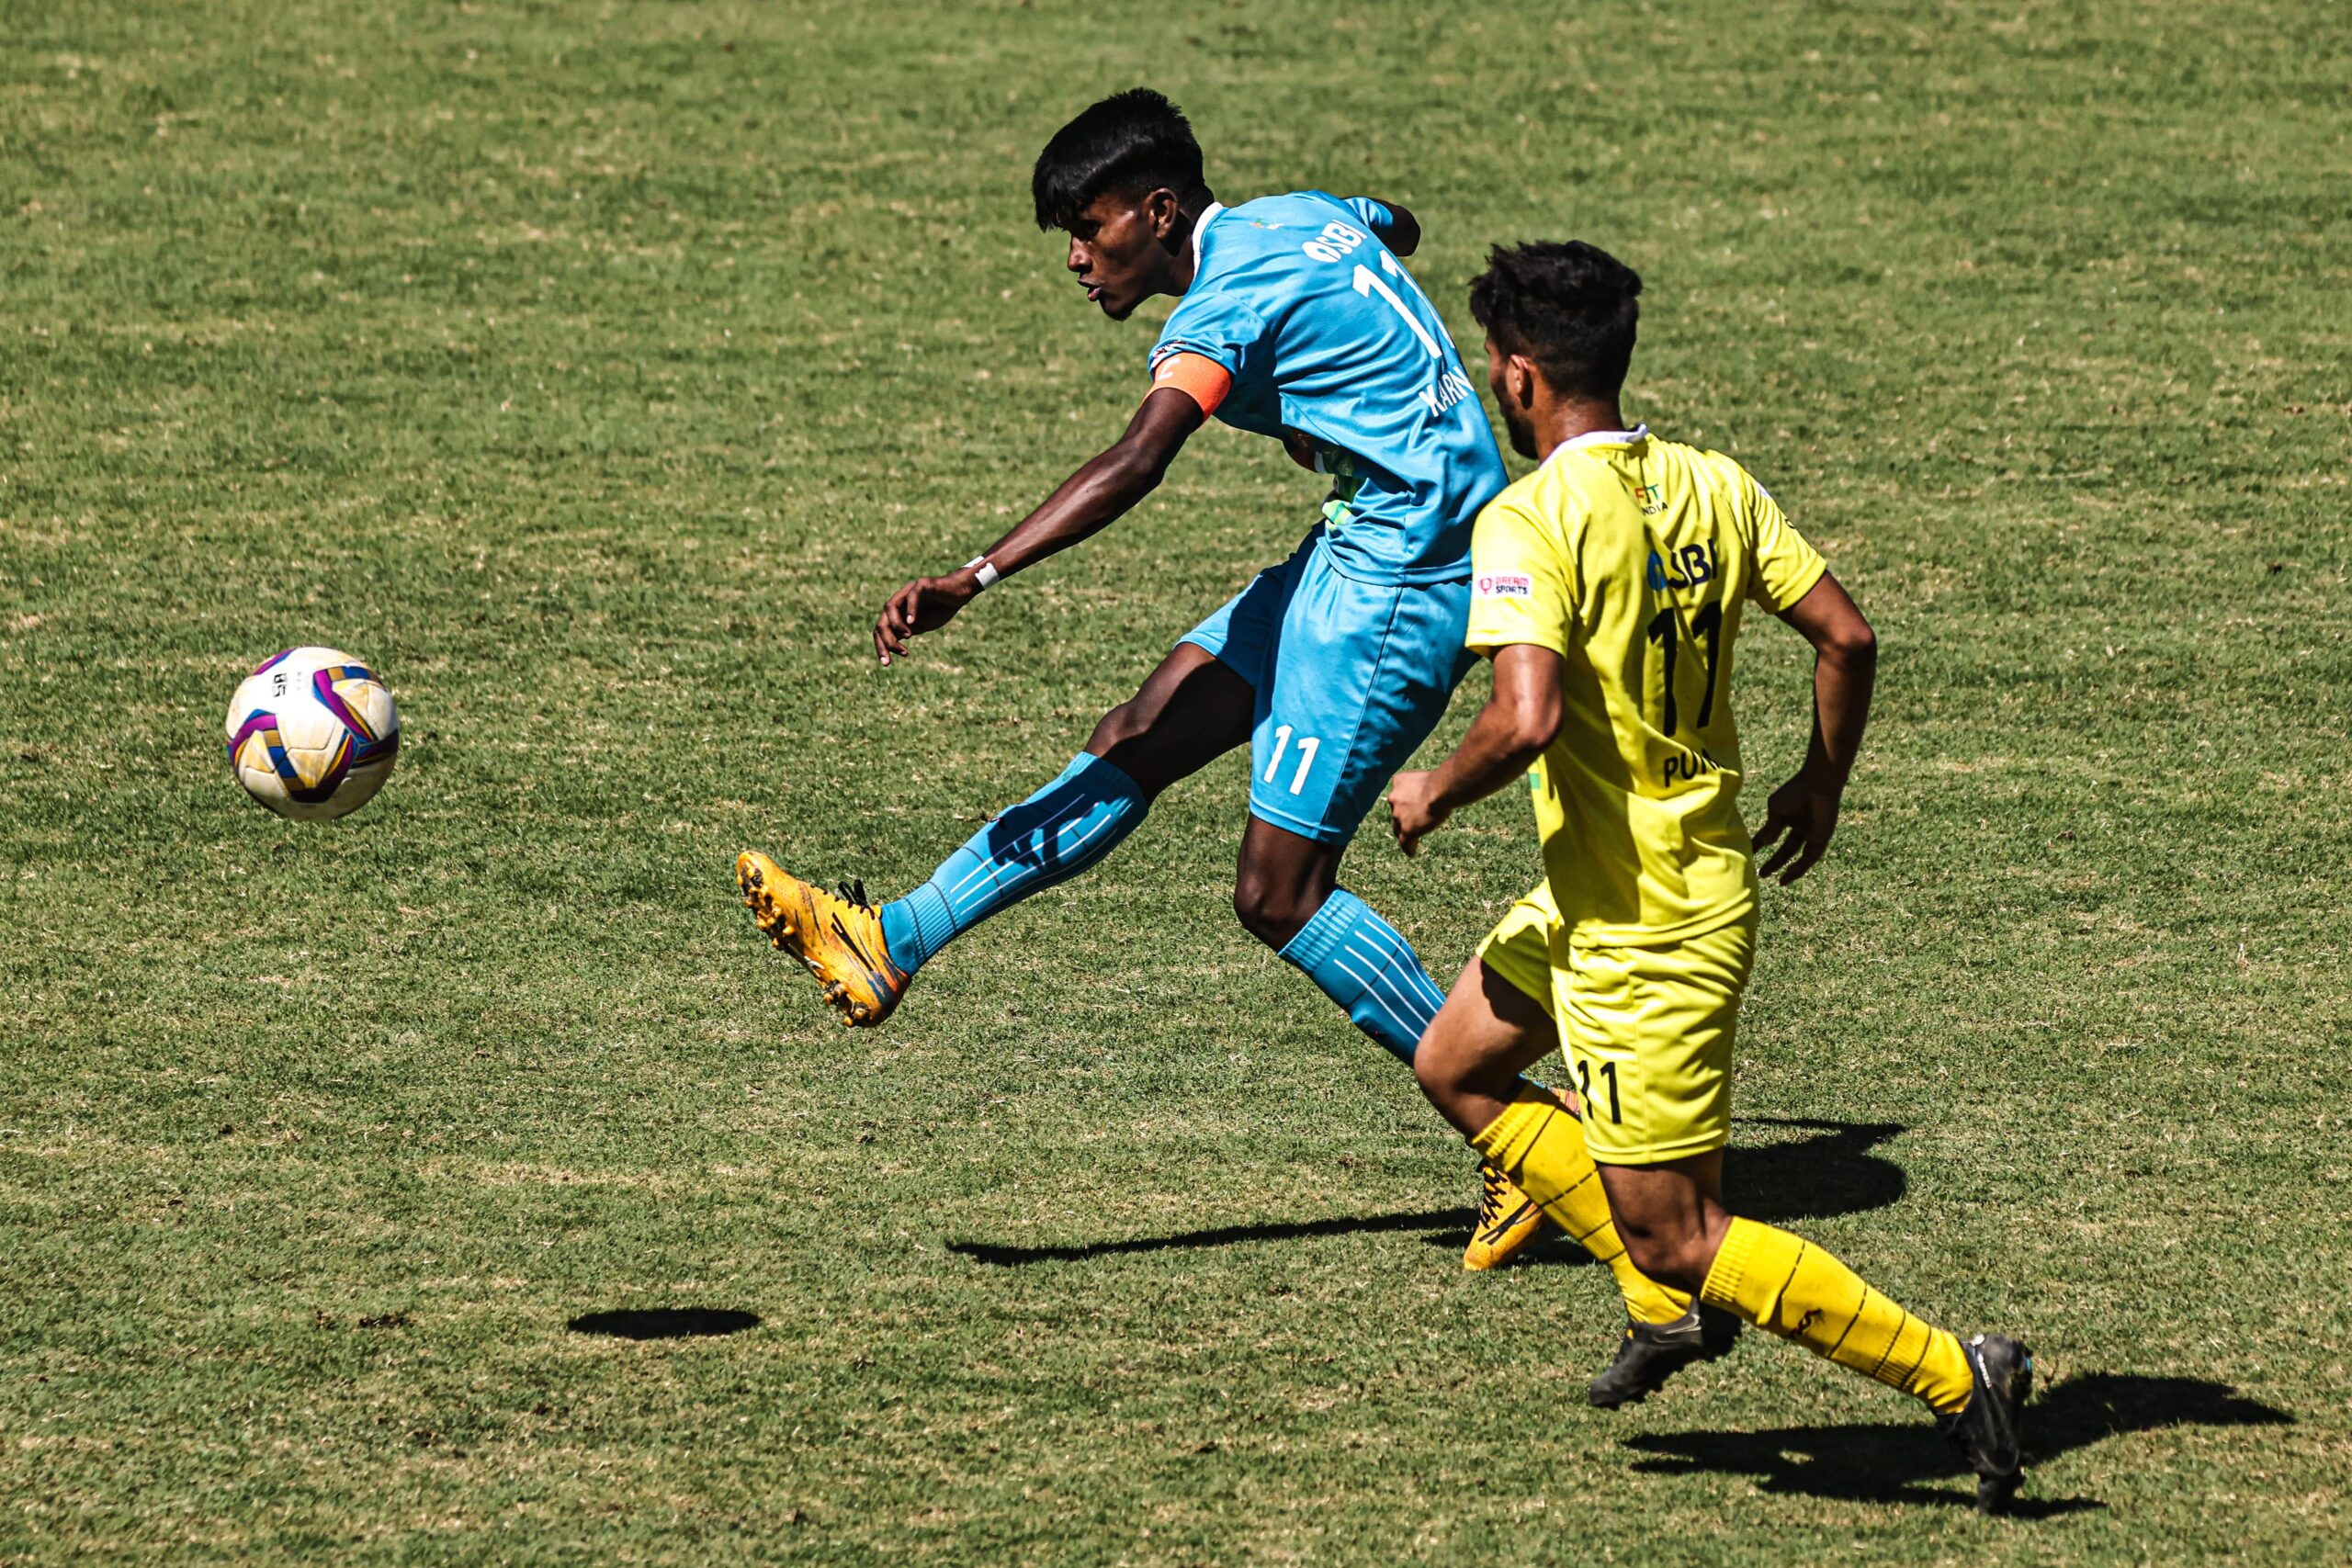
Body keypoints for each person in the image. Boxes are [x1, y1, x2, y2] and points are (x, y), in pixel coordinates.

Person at [732, 87, 1562, 1268]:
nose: (1077, 258)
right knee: (1143, 731)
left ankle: (1528, 1138)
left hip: (1400, 580)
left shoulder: (1223, 305)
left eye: (1091, 228)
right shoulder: (1303, 214)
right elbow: (1395, 221)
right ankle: (890, 942)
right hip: (1361, 541)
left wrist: (977, 573)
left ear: (1160, 211)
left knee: (1278, 893)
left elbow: (1137, 459)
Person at [1387, 240, 2034, 1509]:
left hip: (1646, 931)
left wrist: (1433, 788)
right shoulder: (1713, 484)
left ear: (1517, 377)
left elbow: (1524, 716)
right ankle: (1662, 1306)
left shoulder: (1528, 518)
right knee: (1454, 1063)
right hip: (1615, 889)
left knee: (1682, 1229)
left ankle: (1958, 1373)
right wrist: (1818, 782)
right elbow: (1846, 634)